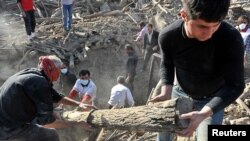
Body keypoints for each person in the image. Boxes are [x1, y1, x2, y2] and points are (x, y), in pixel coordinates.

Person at [150, 0, 245, 141]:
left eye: (215, 26)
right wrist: (166, 91)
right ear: (184, 15)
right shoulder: (169, 36)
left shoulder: (230, 37)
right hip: (179, 93)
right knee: (163, 136)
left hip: (213, 99)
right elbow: (167, 63)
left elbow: (236, 85)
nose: (209, 33)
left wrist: (204, 113)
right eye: (202, 26)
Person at [0, 55, 94, 141]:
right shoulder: (40, 83)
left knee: (50, 116)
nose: (60, 73)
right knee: (50, 135)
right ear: (53, 69)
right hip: (8, 126)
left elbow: (56, 97)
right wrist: (76, 124)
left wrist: (79, 104)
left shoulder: (33, 74)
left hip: (9, 115)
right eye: (59, 70)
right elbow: (46, 123)